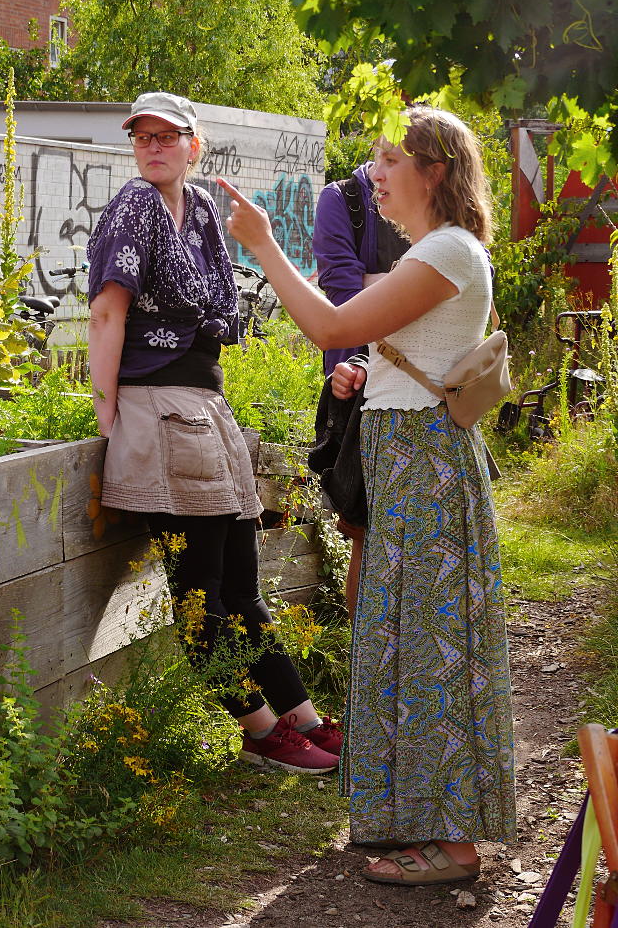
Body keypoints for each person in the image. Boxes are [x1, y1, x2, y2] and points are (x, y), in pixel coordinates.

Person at [218, 105, 517, 886]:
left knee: (433, 646)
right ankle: (415, 820)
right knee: (408, 640)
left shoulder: (446, 250)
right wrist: (369, 372)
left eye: (389, 160)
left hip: (425, 473)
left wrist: (264, 246)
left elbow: (329, 324)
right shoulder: (432, 252)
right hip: (409, 467)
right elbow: (397, 347)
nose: (373, 175)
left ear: (435, 171)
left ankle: (452, 846)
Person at [87, 90, 342, 776]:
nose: (153, 146)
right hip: (161, 412)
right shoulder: (134, 209)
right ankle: (261, 732)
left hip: (207, 409)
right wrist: (107, 419)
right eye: (142, 136)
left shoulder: (198, 208)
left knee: (244, 589)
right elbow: (108, 316)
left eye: (167, 136)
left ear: (194, 145)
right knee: (202, 595)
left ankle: (305, 720)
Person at [312, 162, 408, 618]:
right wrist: (411, 287)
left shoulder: (435, 197)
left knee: (423, 535)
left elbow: (472, 269)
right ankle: (364, 661)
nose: (390, 166)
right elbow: (343, 294)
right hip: (357, 384)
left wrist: (381, 285)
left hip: (426, 382)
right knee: (365, 532)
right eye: (386, 153)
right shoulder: (341, 199)